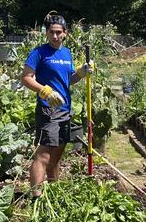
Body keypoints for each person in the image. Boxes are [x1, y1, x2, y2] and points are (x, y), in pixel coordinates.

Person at [21, 11, 93, 198]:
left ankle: (53, 192)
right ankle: (35, 196)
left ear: (65, 33)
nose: (54, 36)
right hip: (48, 110)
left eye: (58, 32)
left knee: (57, 155)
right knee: (44, 154)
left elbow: (69, 79)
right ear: (46, 33)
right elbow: (26, 78)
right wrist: (44, 91)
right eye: (51, 32)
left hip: (64, 109)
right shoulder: (39, 53)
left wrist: (82, 72)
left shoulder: (66, 53)